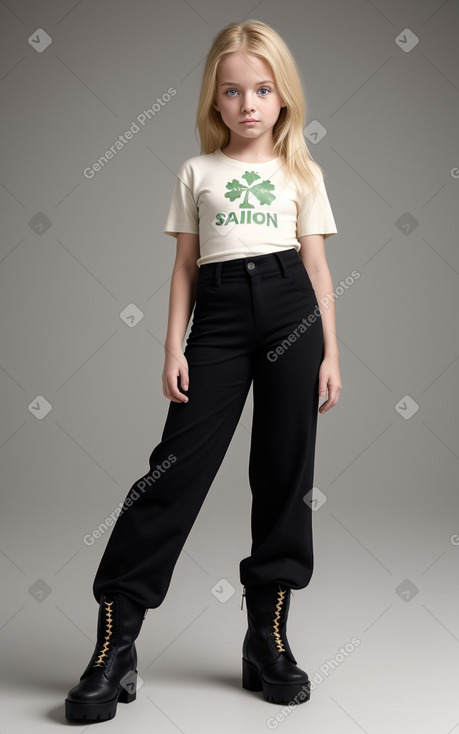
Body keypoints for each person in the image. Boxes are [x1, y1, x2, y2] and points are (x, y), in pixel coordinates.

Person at [64, 18, 342, 722]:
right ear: (213, 102)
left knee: (286, 472)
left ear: (282, 97)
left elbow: (315, 266)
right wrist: (171, 346)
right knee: (172, 473)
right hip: (216, 318)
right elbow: (184, 266)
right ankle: (114, 644)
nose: (247, 103)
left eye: (260, 89)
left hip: (290, 310)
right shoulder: (197, 172)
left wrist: (331, 351)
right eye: (231, 92)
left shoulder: (302, 172)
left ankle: (266, 637)